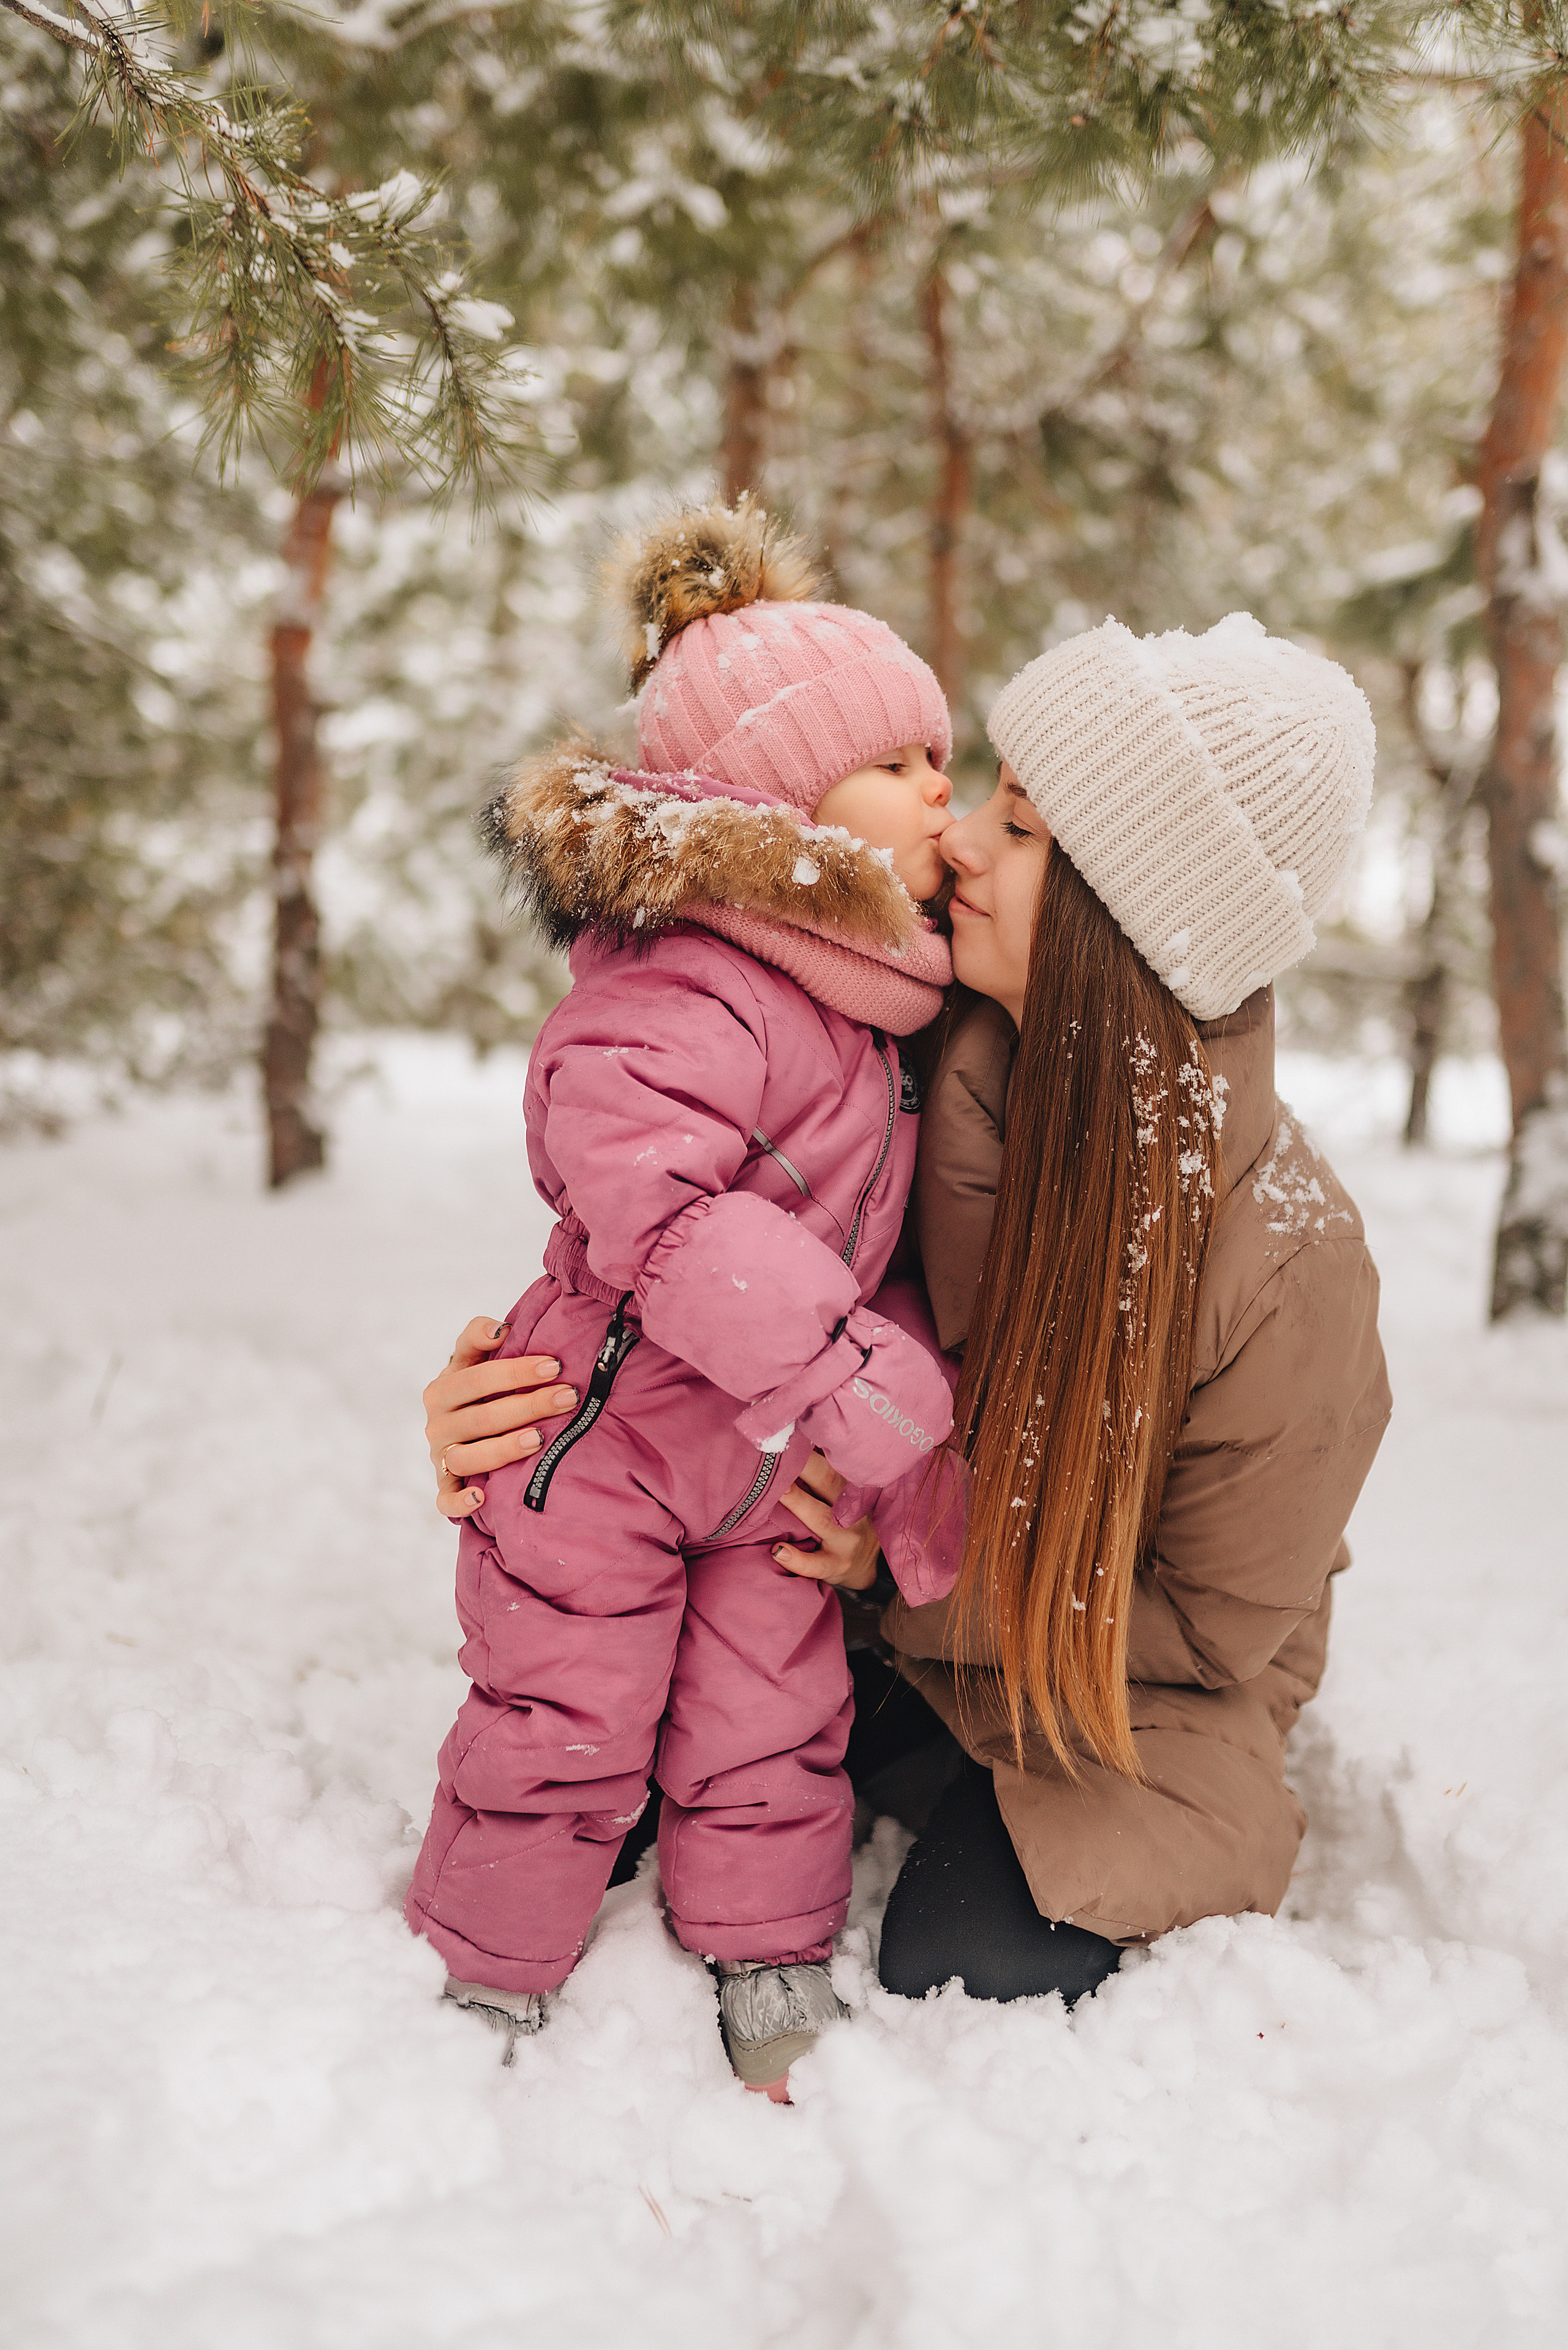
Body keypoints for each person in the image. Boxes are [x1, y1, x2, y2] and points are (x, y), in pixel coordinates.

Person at [426, 608, 1392, 2019]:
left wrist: (903, 1555)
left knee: (967, 1956)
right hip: (863, 1608)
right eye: (987, 798)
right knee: (606, 1769)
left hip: (1119, 1689)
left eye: (1024, 829)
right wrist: (521, 1400)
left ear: (1128, 916)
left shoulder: (1290, 1261)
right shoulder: (909, 1041)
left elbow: (1215, 1621)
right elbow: (679, 1214)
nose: (959, 844)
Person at [404, 497, 962, 2100]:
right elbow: (657, 1198)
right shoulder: (694, 977)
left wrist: (884, 1388)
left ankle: (771, 1953)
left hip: (770, 1449)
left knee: (772, 1716)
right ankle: (492, 1964)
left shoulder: (873, 1011)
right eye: (902, 763)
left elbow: (877, 1256)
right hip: (609, 1435)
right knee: (561, 1705)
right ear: (781, 802)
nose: (945, 792)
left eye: (942, 753)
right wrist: (858, 1369)